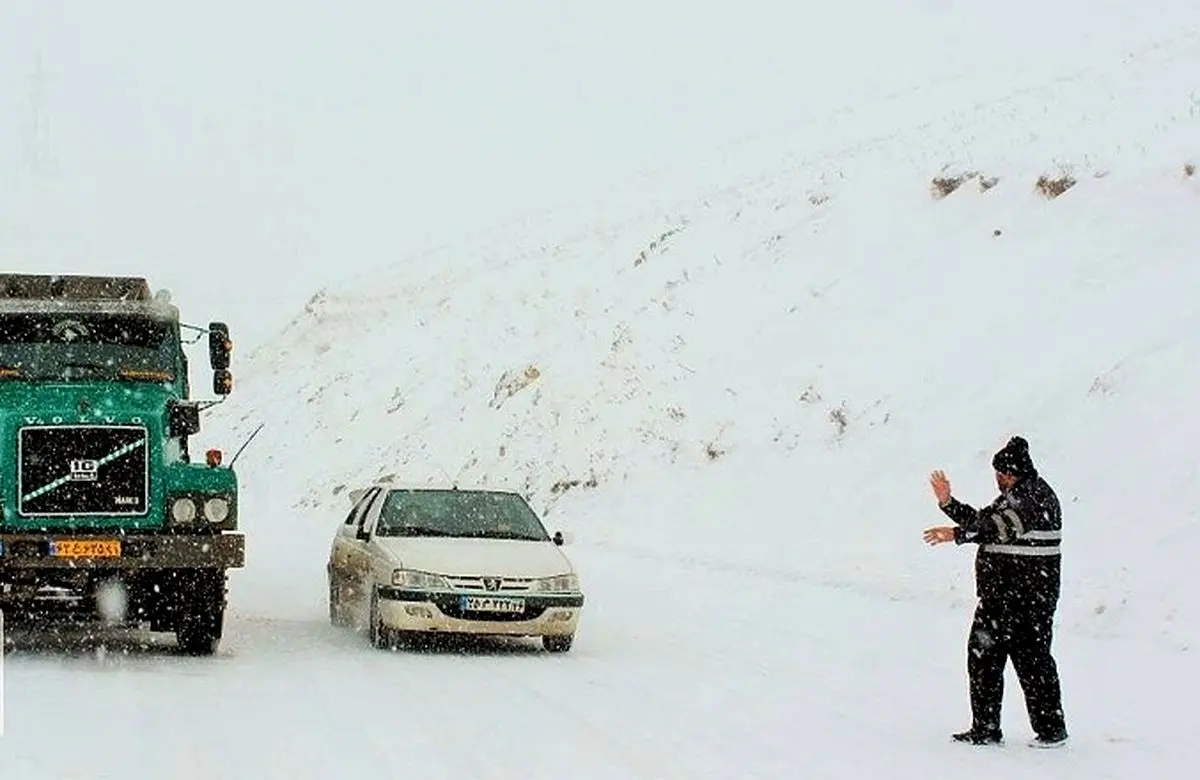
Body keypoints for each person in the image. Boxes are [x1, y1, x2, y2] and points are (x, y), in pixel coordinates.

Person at [923, 435, 1069, 748]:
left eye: (1000, 475)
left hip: (1025, 600)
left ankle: (1051, 731)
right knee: (985, 660)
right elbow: (983, 521)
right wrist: (948, 504)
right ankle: (986, 728)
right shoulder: (1017, 495)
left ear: (1010, 472)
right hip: (1002, 598)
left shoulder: (1034, 498)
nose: (998, 481)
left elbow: (996, 528)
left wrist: (957, 535)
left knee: (1033, 664)